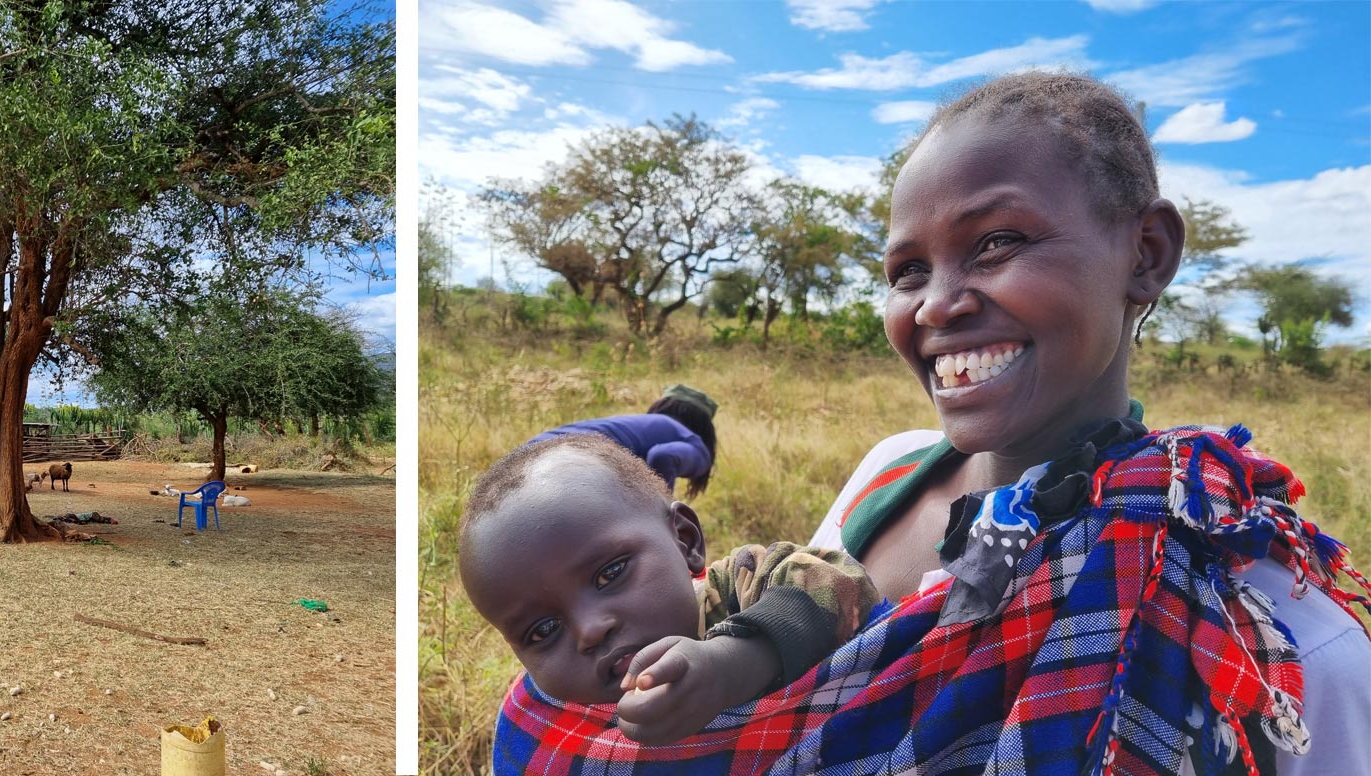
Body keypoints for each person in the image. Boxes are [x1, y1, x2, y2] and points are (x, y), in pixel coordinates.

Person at [488, 72, 1371, 775]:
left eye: (997, 242)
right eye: (908, 269)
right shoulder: (888, 472)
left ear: (1145, 255)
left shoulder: (1268, 622)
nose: (939, 305)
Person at [462, 434, 881, 746]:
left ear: (685, 540)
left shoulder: (740, 582)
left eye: (609, 574)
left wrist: (734, 662)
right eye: (542, 630)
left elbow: (839, 579)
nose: (589, 631)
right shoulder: (550, 725)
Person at [526, 384, 720, 498]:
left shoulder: (642, 424)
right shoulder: (696, 446)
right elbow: (662, 456)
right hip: (570, 462)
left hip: (531, 452)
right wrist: (664, 513)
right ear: (705, 427)